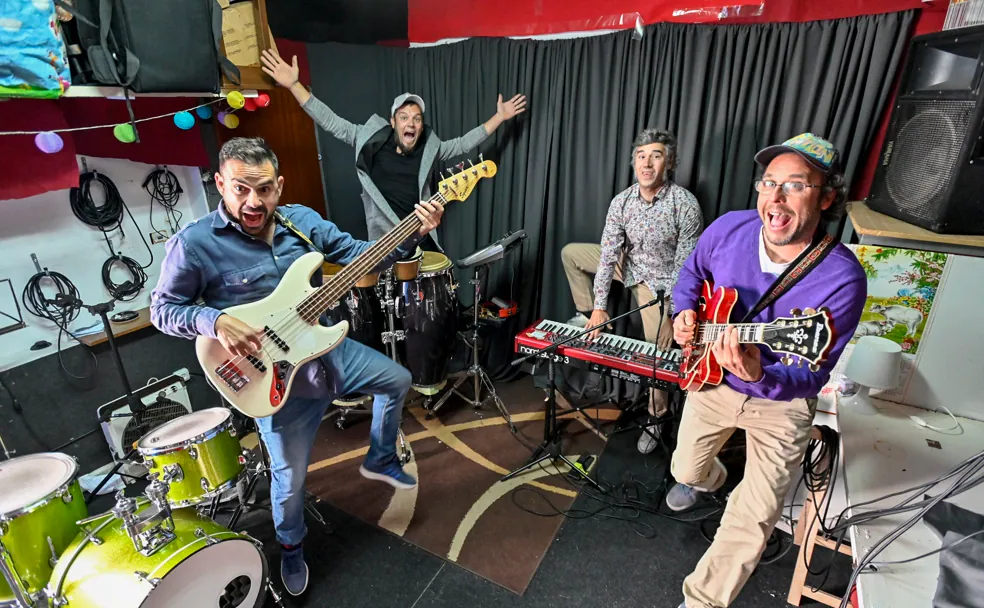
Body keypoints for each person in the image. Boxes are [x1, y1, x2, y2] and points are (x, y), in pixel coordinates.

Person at [150, 137, 445, 597]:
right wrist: (215, 319)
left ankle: (381, 454)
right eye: (241, 189)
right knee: (289, 482)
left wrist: (415, 234)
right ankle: (290, 548)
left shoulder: (301, 222)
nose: (254, 202)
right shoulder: (194, 244)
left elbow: (357, 254)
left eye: (265, 189)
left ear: (279, 185)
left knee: (398, 379)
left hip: (326, 351)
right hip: (274, 378)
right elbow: (163, 310)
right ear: (221, 184)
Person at [667, 133, 867, 608]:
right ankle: (713, 480)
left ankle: (701, 601)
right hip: (711, 377)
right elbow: (692, 275)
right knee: (686, 469)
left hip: (780, 401)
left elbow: (812, 375)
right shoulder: (727, 230)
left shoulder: (842, 277)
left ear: (827, 196)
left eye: (794, 185)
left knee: (755, 515)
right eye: (768, 183)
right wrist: (683, 313)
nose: (774, 199)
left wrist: (760, 376)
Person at [260, 48, 526, 252]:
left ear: (421, 125)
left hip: (422, 237)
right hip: (383, 243)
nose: (411, 122)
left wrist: (499, 117)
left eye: (417, 118)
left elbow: (464, 143)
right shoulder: (369, 140)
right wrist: (295, 85)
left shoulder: (430, 149)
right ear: (393, 122)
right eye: (404, 116)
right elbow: (331, 122)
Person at [560, 128, 703, 453]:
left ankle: (656, 419)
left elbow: (688, 267)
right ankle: (587, 316)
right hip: (631, 265)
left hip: (663, 283)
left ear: (669, 162)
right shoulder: (622, 201)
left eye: (656, 155)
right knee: (571, 253)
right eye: (641, 156)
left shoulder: (685, 204)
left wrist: (675, 315)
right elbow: (609, 255)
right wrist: (598, 306)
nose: (647, 163)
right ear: (634, 162)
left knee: (659, 350)